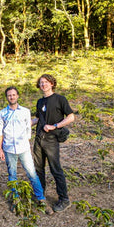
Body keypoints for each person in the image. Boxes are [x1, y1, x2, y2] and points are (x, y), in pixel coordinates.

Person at [0, 86, 51, 214]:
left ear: (18, 96)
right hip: (9, 148)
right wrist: (0, 149)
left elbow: (28, 128)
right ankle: (15, 200)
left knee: (32, 173)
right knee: (12, 175)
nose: (12, 97)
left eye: (14, 95)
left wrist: (27, 141)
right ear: (7, 98)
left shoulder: (25, 111)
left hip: (23, 148)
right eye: (9, 95)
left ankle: (41, 199)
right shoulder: (2, 113)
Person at [32, 74, 75, 213]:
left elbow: (71, 117)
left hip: (51, 140)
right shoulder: (40, 102)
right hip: (39, 139)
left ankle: (64, 199)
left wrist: (55, 125)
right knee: (38, 170)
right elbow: (38, 119)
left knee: (55, 169)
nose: (43, 84)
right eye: (41, 82)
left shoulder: (60, 99)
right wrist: (23, 123)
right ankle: (40, 196)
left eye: (45, 82)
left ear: (52, 83)